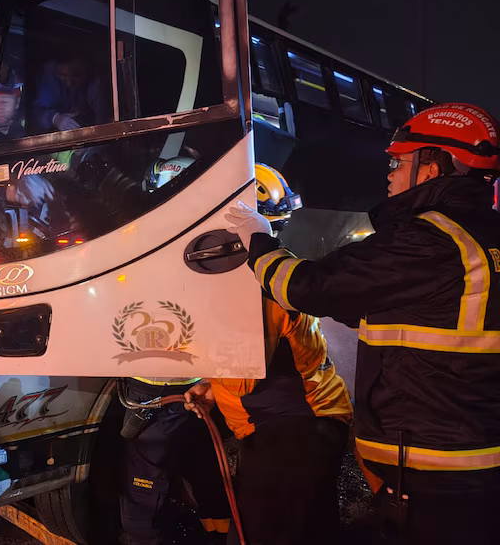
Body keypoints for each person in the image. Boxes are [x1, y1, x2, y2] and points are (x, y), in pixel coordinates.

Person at [224, 104, 500, 545]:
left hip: (433, 464)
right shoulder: (481, 236)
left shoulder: (428, 237)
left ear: (433, 168)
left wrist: (258, 242)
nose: (389, 174)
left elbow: (307, 286)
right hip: (472, 457)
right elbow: (389, 306)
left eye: (398, 162)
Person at [184, 164, 353, 545]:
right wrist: (211, 386)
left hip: (293, 430)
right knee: (309, 529)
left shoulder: (248, 286)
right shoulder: (273, 271)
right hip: (309, 425)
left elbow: (242, 370)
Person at [118, 375, 232, 545]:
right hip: (196, 387)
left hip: (154, 391)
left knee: (143, 491)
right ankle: (219, 535)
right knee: (203, 465)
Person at [33, 53, 110, 134]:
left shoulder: (95, 84)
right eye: (63, 75)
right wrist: (55, 118)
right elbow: (37, 112)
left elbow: (104, 125)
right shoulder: (50, 76)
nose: (69, 83)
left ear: (86, 70)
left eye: (75, 76)